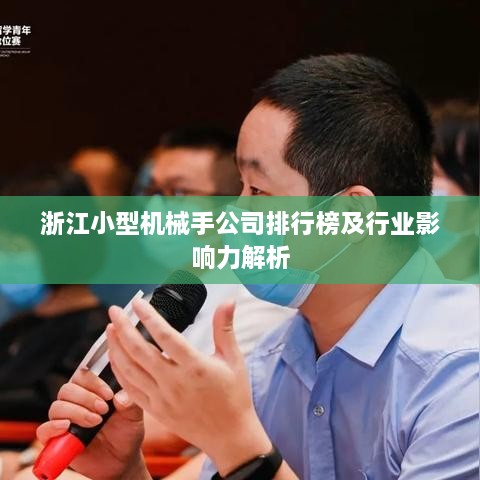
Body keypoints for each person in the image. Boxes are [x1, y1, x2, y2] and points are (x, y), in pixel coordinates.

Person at [36, 55, 478, 479]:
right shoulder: (276, 359)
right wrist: (126, 472)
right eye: (241, 187)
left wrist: (238, 445)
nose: (234, 215)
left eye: (259, 192)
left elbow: (241, 454)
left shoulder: (460, 367)